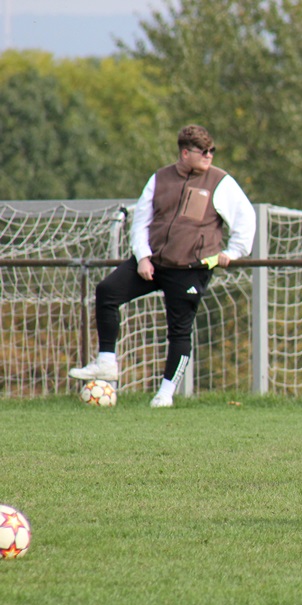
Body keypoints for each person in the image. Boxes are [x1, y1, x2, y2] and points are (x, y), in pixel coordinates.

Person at [69, 125, 255, 408]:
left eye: (212, 151)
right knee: (107, 291)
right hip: (153, 263)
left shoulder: (221, 182)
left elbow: (246, 218)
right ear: (185, 153)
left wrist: (234, 252)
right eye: (203, 151)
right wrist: (143, 257)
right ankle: (106, 362)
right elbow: (141, 222)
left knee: (179, 331)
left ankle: (165, 394)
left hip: (190, 269)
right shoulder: (159, 179)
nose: (209, 156)